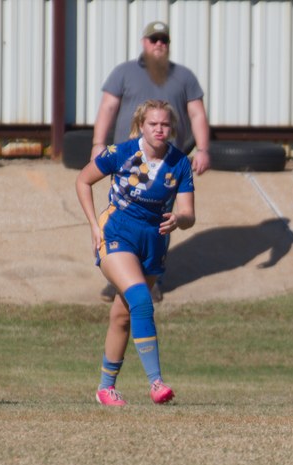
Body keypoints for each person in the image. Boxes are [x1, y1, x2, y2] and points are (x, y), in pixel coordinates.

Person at [76, 99, 195, 406]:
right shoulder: (121, 153)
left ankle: (105, 388)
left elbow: (189, 214)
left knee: (122, 314)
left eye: (165, 124)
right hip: (118, 232)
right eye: (153, 124)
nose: (160, 129)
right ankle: (156, 383)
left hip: (154, 241)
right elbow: (83, 180)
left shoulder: (180, 162)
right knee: (141, 300)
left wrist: (179, 219)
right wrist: (93, 225)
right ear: (141, 125)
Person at [92, 20, 211, 303]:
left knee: (161, 221)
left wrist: (204, 148)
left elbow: (196, 114)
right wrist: (98, 143)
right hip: (127, 162)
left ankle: (152, 278)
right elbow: (108, 107)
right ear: (144, 43)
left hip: (167, 164)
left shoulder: (184, 77)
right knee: (122, 216)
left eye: (164, 40)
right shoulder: (124, 72)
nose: (159, 44)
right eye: (154, 39)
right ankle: (119, 276)